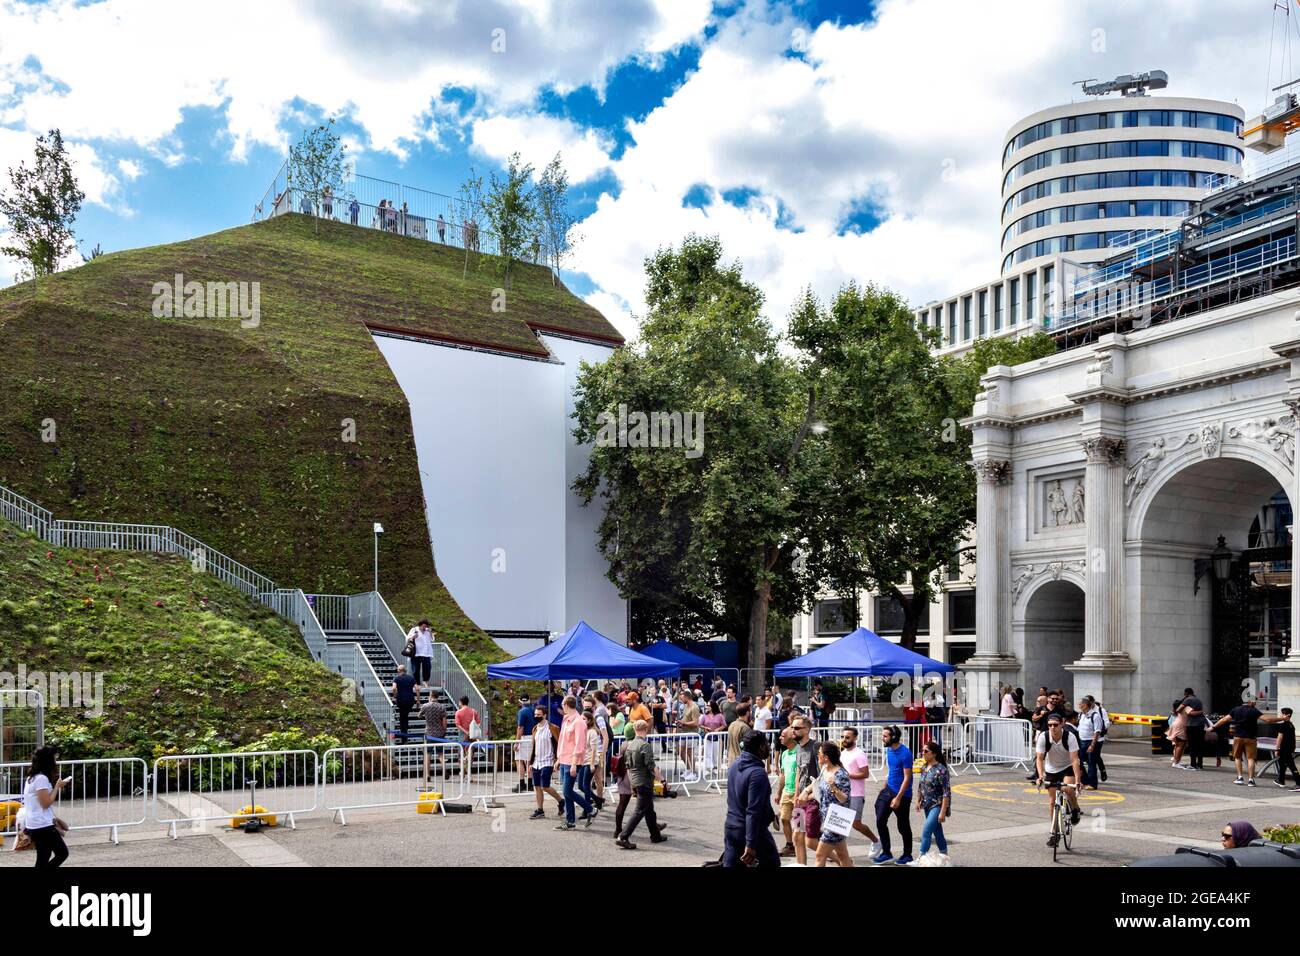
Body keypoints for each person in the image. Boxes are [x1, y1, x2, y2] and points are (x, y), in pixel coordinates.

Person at [723, 730, 781, 867]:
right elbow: (753, 811)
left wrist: (771, 815)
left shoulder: (735, 765)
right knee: (772, 863)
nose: (769, 747)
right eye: (767, 743)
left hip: (731, 827)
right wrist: (750, 843)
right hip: (751, 832)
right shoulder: (757, 773)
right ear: (761, 747)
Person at [616, 720, 667, 849]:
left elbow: (628, 766)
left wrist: (633, 784)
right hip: (644, 781)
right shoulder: (644, 745)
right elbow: (651, 766)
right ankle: (623, 836)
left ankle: (655, 835)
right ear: (646, 730)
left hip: (636, 780)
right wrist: (663, 780)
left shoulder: (630, 745)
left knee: (649, 811)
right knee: (639, 812)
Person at [1035, 714, 1082, 847]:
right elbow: (1039, 759)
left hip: (1068, 767)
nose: (1052, 727)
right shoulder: (1043, 737)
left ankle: (1075, 808)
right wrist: (1040, 776)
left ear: (1062, 723)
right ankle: (1054, 833)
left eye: (1055, 725)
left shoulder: (1070, 737)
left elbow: (1074, 760)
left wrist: (1077, 781)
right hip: (1051, 769)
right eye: (1050, 725)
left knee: (1067, 788)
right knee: (1051, 802)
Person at [804, 742, 853, 867]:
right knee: (843, 855)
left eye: (819, 753)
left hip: (836, 821)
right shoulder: (825, 769)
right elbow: (818, 785)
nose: (817, 755)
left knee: (820, 856)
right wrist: (806, 792)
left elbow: (844, 799)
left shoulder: (840, 774)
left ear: (826, 757)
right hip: (827, 819)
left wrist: (833, 787)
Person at [1211, 695, 1275, 786]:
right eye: (1254, 702)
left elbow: (1224, 719)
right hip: (1251, 738)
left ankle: (1240, 777)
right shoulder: (1254, 710)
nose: (1255, 703)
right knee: (1251, 759)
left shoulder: (1236, 709)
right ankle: (1251, 780)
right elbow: (1268, 720)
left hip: (1238, 737)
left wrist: (1213, 726)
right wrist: (1282, 719)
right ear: (1250, 702)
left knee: (1237, 757)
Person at [23, 746, 69, 867]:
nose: (56, 762)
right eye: (54, 758)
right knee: (62, 853)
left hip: (35, 823)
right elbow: (46, 803)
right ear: (48, 761)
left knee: (44, 856)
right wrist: (57, 787)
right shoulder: (41, 779)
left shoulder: (31, 778)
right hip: (42, 824)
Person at [874, 725, 914, 865]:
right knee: (880, 820)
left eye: (885, 736)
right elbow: (892, 771)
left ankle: (907, 854)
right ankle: (886, 853)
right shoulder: (890, 750)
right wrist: (884, 787)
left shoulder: (906, 753)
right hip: (889, 790)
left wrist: (898, 798)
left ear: (894, 738)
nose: (882, 738)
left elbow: (907, 778)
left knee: (903, 826)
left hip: (902, 794)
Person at [555, 696, 596, 830]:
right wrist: (559, 759)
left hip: (573, 760)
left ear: (566, 705)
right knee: (567, 791)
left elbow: (579, 744)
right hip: (565, 759)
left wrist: (573, 763)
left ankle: (590, 808)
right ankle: (570, 821)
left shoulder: (578, 722)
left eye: (563, 704)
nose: (562, 707)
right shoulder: (566, 719)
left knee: (567, 791)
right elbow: (562, 741)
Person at [839, 726, 881, 853]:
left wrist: (847, 775)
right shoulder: (843, 753)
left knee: (856, 823)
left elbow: (865, 774)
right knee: (840, 824)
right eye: (842, 737)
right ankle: (840, 851)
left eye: (847, 737)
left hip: (856, 794)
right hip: (842, 793)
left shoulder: (859, 754)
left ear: (855, 738)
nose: (844, 740)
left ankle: (876, 841)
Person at [790, 715, 822, 866]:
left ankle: (841, 860)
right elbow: (798, 772)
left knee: (811, 841)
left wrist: (808, 794)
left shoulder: (816, 747)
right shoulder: (798, 748)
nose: (793, 731)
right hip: (799, 801)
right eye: (792, 727)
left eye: (796, 728)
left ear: (807, 729)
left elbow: (823, 774)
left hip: (813, 800)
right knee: (796, 836)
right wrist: (796, 794)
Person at [915, 739, 952, 863]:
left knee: (926, 831)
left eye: (926, 751)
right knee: (938, 832)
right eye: (922, 751)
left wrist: (942, 812)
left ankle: (921, 857)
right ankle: (944, 855)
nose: (923, 753)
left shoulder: (941, 770)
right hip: (927, 804)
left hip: (937, 805)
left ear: (934, 753)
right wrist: (918, 800)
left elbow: (946, 792)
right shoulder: (924, 767)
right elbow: (921, 785)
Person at [528, 704, 564, 819]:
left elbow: (559, 744)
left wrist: (558, 759)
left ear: (545, 715)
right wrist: (530, 762)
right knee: (537, 786)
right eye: (535, 714)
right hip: (536, 762)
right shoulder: (535, 729)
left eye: (539, 715)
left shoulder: (553, 728)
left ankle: (561, 800)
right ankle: (540, 809)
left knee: (545, 786)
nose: (536, 716)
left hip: (548, 761)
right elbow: (533, 746)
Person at [774, 727, 799, 857]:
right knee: (784, 818)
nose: (780, 738)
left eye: (783, 735)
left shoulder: (799, 752)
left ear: (792, 737)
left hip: (798, 793)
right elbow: (783, 775)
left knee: (800, 824)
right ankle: (790, 846)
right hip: (786, 792)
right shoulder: (784, 753)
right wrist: (778, 792)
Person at [1076, 696, 1108, 788]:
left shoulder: (1095, 716)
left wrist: (1092, 745)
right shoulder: (1081, 715)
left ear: (1085, 705)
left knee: (1091, 762)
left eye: (1080, 704)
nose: (1079, 705)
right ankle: (1085, 780)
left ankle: (1092, 783)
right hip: (1082, 741)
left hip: (1093, 741)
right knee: (1080, 761)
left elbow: (1097, 732)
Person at [513, 693, 536, 792]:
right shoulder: (534, 709)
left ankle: (522, 783)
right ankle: (530, 783)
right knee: (529, 761)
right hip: (533, 736)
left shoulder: (522, 711)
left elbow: (520, 727)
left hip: (525, 737)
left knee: (519, 760)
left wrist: (517, 742)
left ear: (520, 701)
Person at [1180, 688, 1207, 771]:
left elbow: (1179, 709)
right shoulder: (1198, 700)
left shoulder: (1187, 700)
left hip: (1191, 725)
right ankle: (1200, 764)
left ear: (1186, 693)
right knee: (1200, 745)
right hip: (1201, 725)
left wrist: (1184, 707)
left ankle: (1193, 764)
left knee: (1192, 745)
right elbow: (1201, 711)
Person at [1272, 707, 1299, 790]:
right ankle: (1281, 781)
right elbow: (1293, 738)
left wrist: (1277, 749)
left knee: (1291, 766)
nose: (1280, 715)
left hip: (1284, 748)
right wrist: (1293, 747)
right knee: (1282, 764)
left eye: (1281, 714)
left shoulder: (1283, 725)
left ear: (1286, 715)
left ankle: (1299, 783)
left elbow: (1279, 738)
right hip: (1290, 748)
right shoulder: (1291, 725)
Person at [676, 689, 700, 779]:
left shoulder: (694, 707)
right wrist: (681, 722)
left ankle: (693, 772)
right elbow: (685, 719)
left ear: (686, 697)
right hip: (684, 732)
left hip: (692, 733)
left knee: (690, 753)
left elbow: (695, 723)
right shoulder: (686, 706)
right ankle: (689, 769)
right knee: (680, 751)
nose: (681, 700)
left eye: (682, 698)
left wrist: (683, 723)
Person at [406, 618, 435, 690]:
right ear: (420, 625)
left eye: (426, 626)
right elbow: (407, 638)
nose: (424, 628)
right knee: (416, 669)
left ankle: (425, 681)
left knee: (427, 668)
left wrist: (430, 632)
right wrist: (413, 637)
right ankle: (417, 683)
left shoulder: (427, 631)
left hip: (426, 653)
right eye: (423, 626)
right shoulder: (414, 630)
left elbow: (432, 640)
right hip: (416, 653)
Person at [391, 664, 417, 742]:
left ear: (399, 670)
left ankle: (404, 738)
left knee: (403, 718)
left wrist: (395, 696)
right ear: (405, 670)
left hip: (401, 700)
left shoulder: (396, 678)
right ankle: (404, 735)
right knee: (405, 717)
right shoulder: (411, 678)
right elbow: (417, 689)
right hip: (410, 700)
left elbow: (394, 688)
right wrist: (418, 700)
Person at [1167, 697, 1189, 769]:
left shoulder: (1177, 711)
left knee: (1179, 745)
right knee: (1180, 745)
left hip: (1177, 728)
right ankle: (1176, 761)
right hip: (1179, 729)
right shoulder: (1183, 710)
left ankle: (1177, 760)